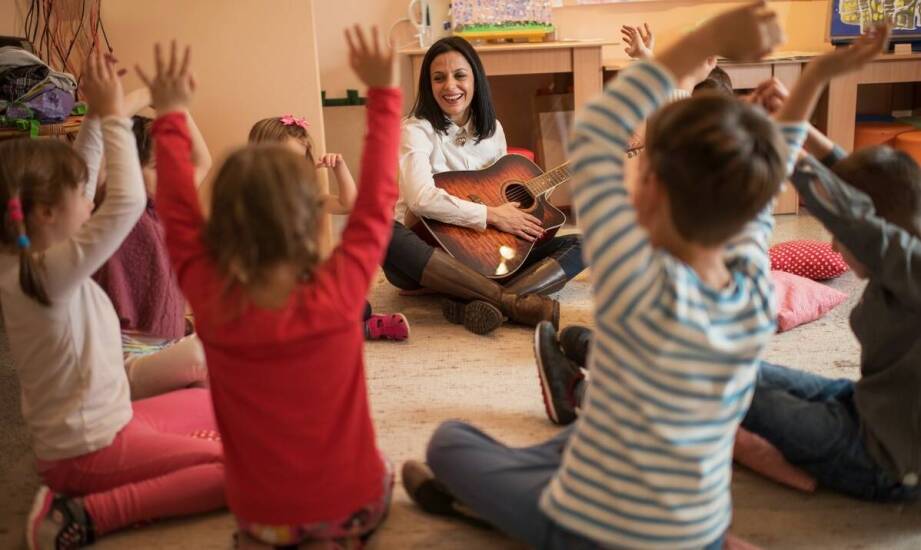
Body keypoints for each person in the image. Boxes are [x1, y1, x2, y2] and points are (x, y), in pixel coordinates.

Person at [399, 4, 860, 548]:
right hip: (696, 525)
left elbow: (602, 138)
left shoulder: (635, 286)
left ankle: (483, 496)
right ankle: (533, 356)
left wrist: (678, 61)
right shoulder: (751, 293)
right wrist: (779, 117)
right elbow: (763, 182)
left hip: (593, 521)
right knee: (570, 436)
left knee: (450, 442)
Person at [145, 27, 399, 548]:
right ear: (309, 212)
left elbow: (176, 213)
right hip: (347, 504)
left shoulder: (211, 298)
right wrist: (383, 94)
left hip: (261, 516)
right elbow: (378, 205)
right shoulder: (340, 289)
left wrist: (169, 115)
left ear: (226, 221)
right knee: (383, 467)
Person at [2, 50, 224, 550]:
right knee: (240, 468)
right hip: (87, 452)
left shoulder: (30, 255)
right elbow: (124, 200)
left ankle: (109, 480)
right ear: (44, 213)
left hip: (115, 419)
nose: (89, 199)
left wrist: (104, 111)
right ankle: (84, 514)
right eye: (80, 196)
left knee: (225, 409)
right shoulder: (43, 273)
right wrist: (116, 117)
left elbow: (82, 171)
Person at [738, 32, 920, 502]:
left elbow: (851, 213)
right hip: (867, 406)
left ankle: (588, 382)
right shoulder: (909, 227)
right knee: (732, 370)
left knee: (715, 384)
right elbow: (863, 185)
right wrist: (799, 122)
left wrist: (809, 87)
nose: (835, 245)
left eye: (843, 235)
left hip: (885, 460)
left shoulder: (912, 264)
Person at [383, 36, 581, 335]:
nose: (450, 86)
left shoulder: (493, 129)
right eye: (439, 78)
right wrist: (493, 215)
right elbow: (420, 198)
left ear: (475, 79)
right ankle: (510, 302)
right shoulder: (415, 129)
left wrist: (535, 196)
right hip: (424, 253)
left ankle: (473, 299)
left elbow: (498, 188)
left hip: (484, 253)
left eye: (460, 75)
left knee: (581, 244)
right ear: (428, 85)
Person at [92, 87, 211, 399]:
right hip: (125, 361)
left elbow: (202, 160)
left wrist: (171, 105)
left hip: (168, 349)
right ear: (127, 170)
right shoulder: (115, 210)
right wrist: (144, 94)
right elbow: (96, 151)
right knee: (210, 353)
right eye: (160, 167)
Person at [248, 115, 409, 341]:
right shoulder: (250, 203)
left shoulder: (305, 198)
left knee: (359, 305)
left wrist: (339, 168)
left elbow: (348, 204)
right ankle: (359, 329)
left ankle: (357, 326)